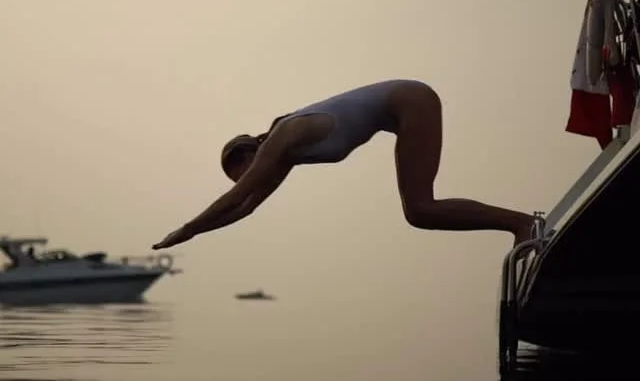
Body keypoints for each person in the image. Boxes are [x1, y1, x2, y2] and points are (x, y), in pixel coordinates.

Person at [152, 80, 534, 250]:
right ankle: (521, 224)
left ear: (248, 154)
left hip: (408, 100)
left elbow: (238, 196)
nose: (248, 180)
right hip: (403, 109)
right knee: (420, 212)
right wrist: (196, 235)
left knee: (420, 208)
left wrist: (186, 228)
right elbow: (246, 207)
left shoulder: (282, 137)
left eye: (244, 173)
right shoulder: (284, 158)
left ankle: (522, 224)